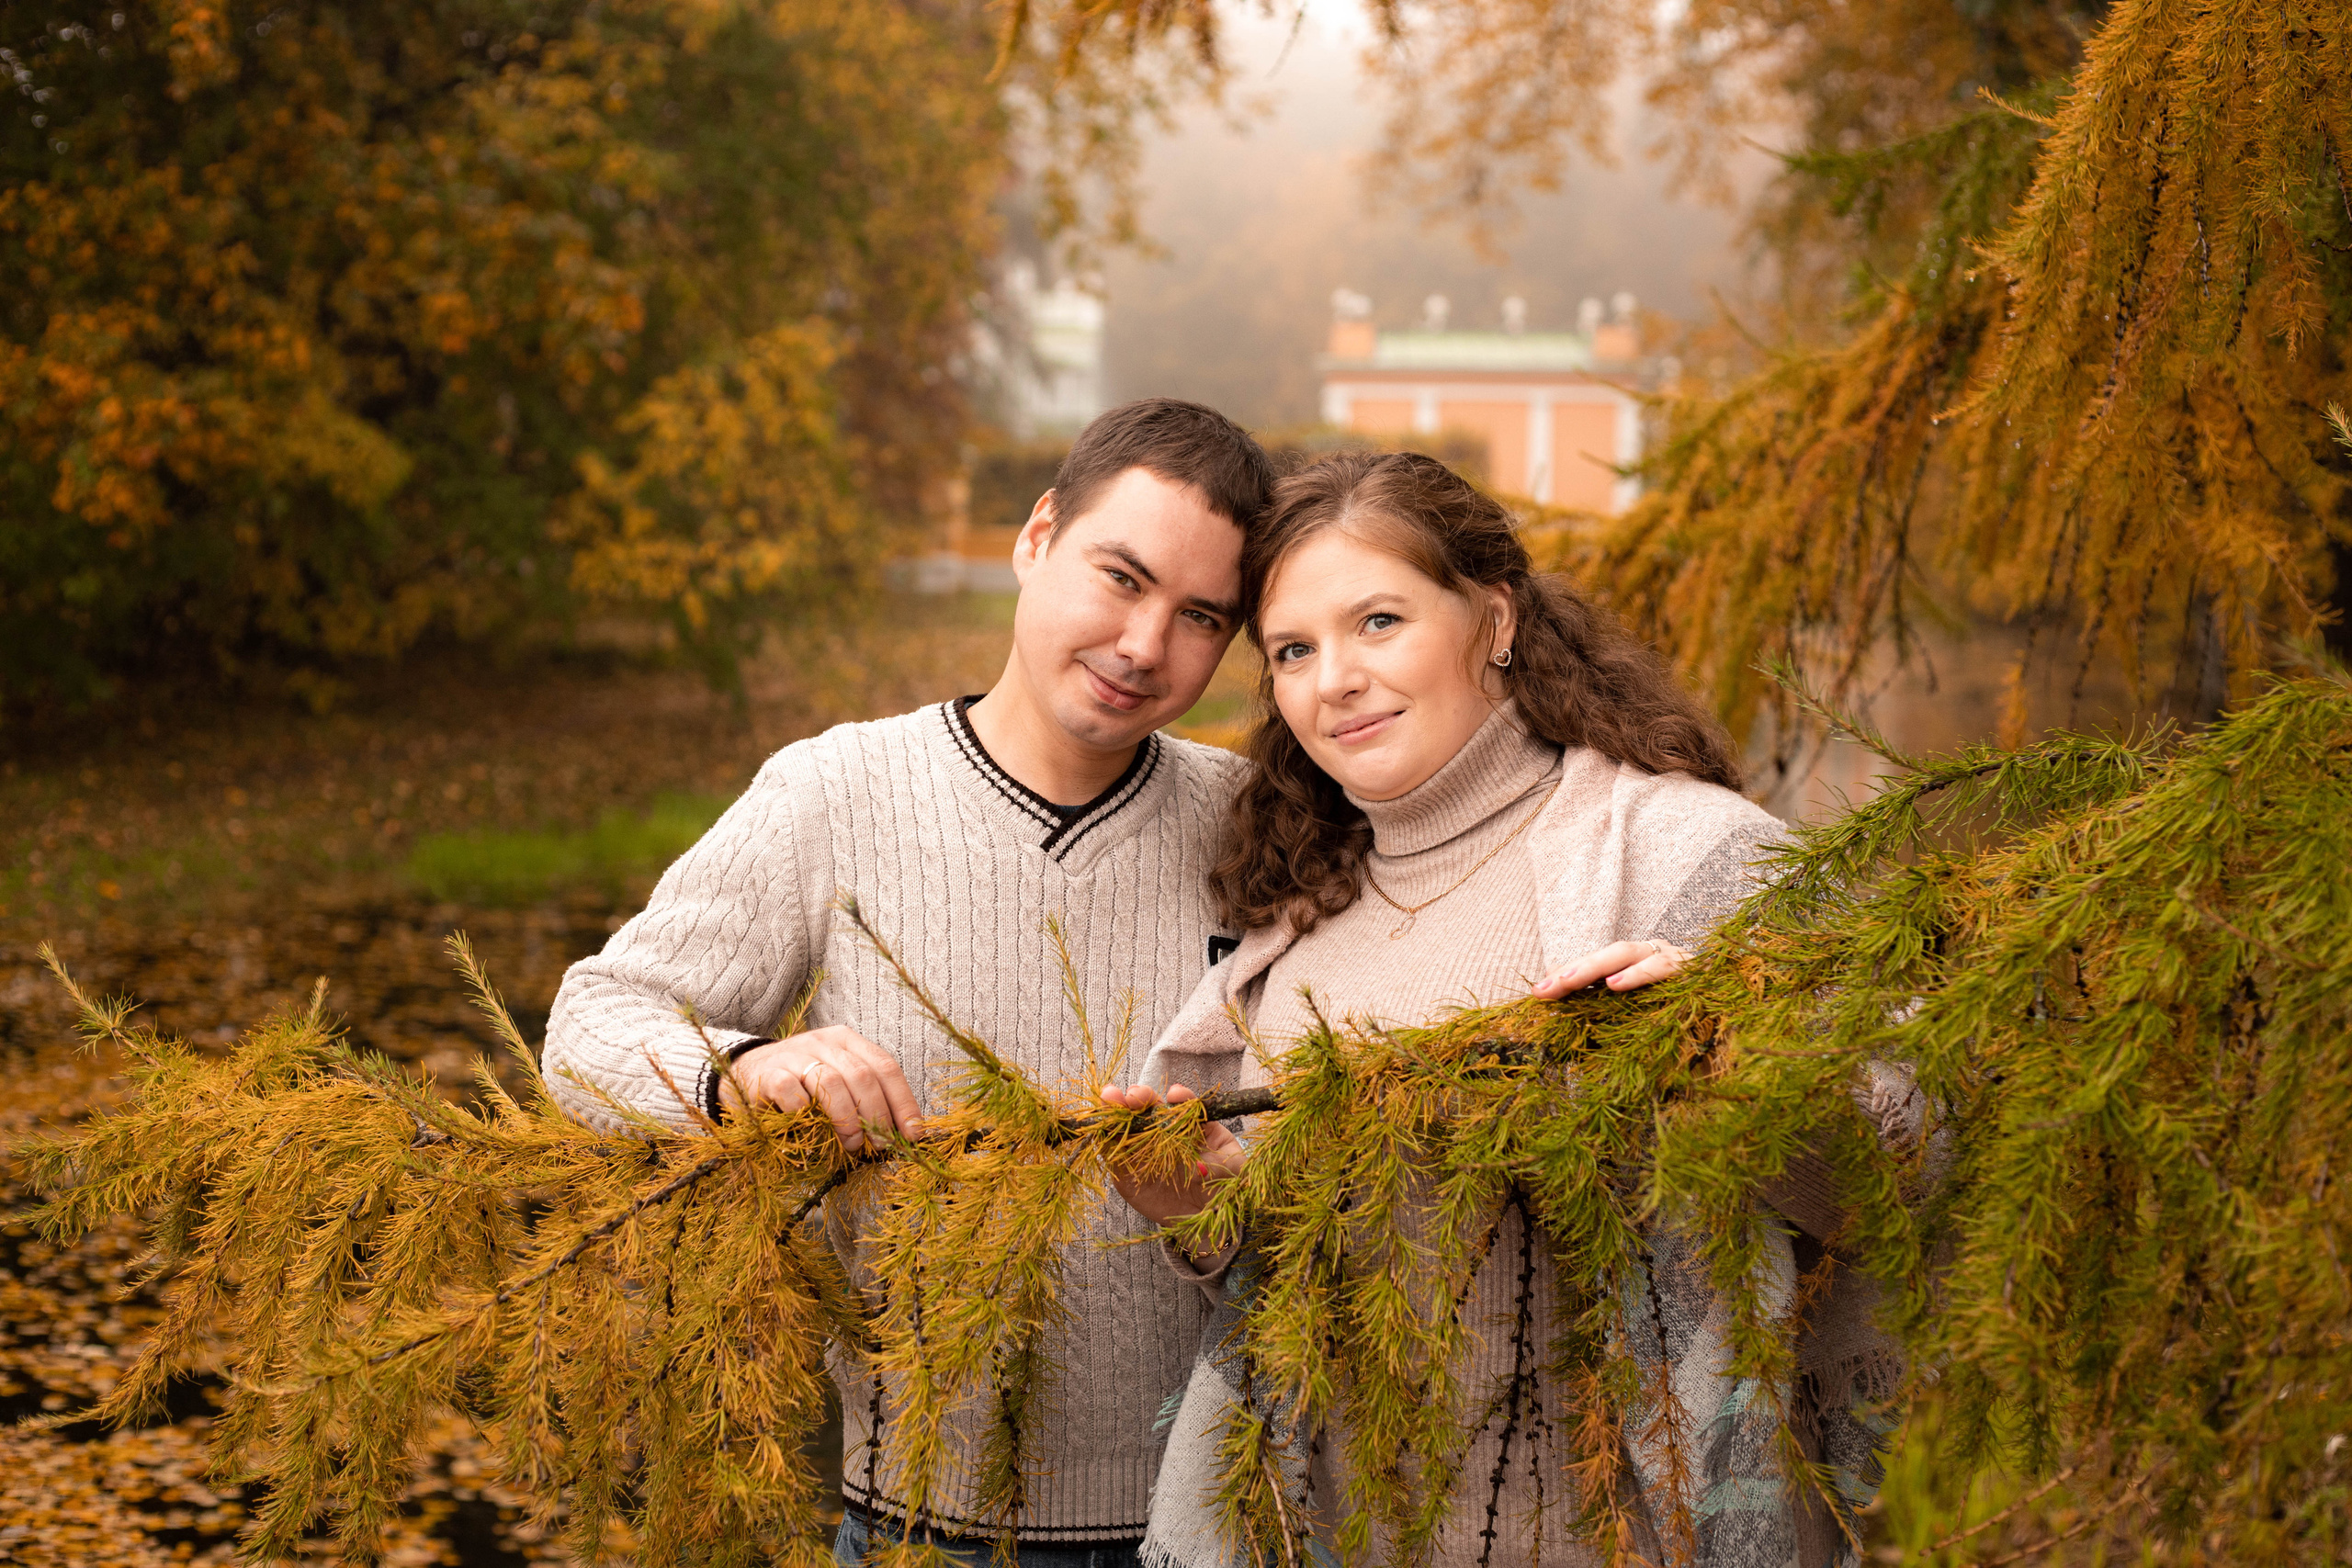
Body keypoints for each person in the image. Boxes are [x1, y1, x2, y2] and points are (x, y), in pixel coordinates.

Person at [1102, 450, 1888, 1567]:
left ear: (1496, 618)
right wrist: (1203, 1211)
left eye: (1378, 621)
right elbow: (1308, 1279)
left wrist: (1732, 1069)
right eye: (1294, 650)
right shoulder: (1292, 926)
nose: (1334, 680)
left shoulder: (1683, 852)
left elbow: (1892, 1181)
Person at [539, 398, 1281, 1563]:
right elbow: (590, 1022)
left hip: (1208, 1521)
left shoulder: (1255, 828)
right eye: (1119, 577)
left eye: (1199, 616)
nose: (1145, 643)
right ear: (1037, 537)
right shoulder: (833, 792)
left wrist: (1221, 1204)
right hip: (916, 1527)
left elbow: (1332, 1148)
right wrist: (738, 1073)